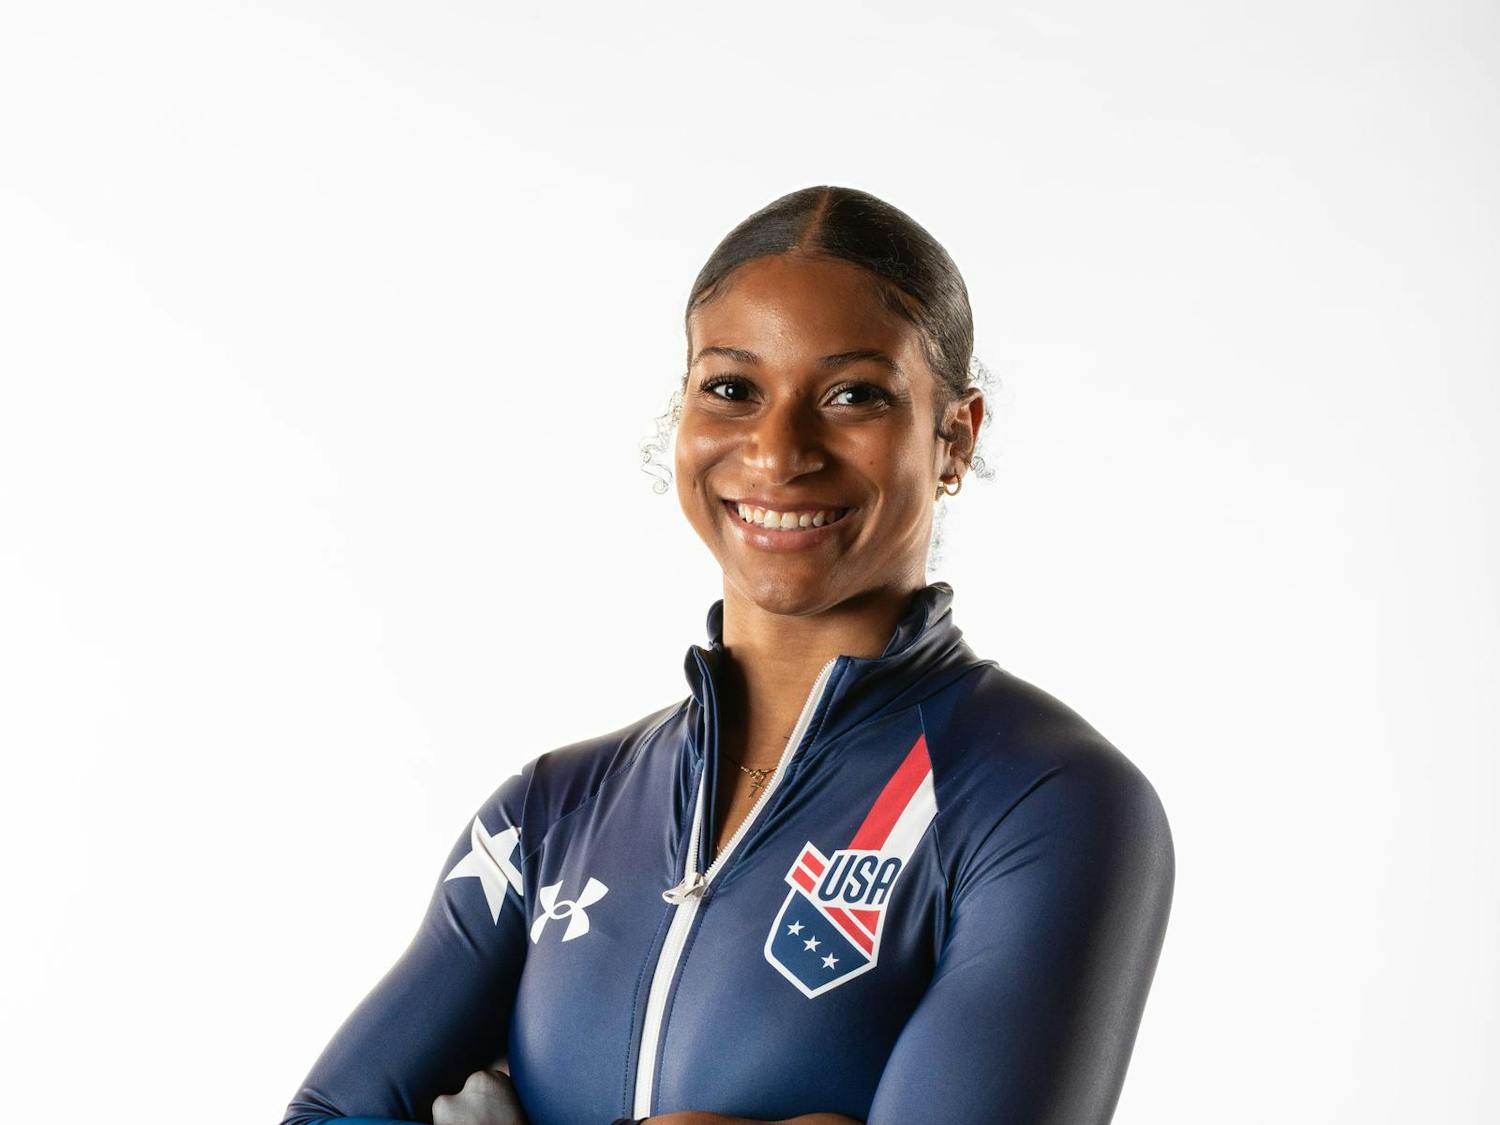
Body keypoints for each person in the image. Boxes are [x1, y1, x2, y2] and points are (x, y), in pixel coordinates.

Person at [279, 185, 1175, 1125]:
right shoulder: (550, 812)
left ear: (955, 435)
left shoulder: (1045, 800)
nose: (778, 449)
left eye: (853, 394)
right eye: (733, 388)